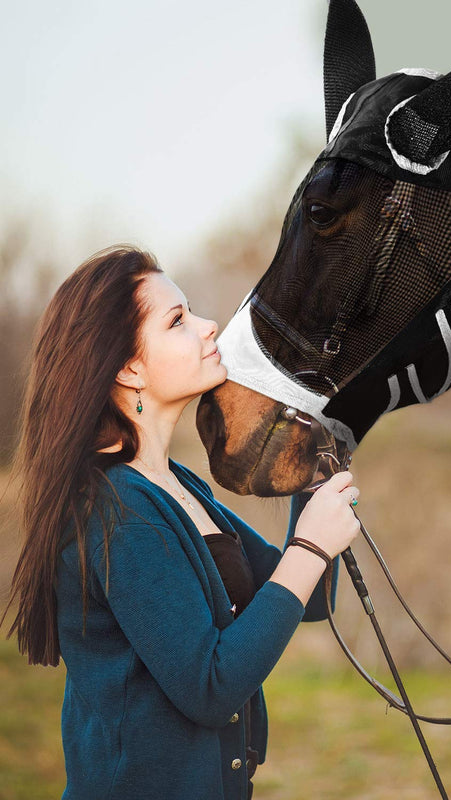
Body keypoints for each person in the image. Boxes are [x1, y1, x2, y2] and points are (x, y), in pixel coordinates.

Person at [3, 245, 360, 800]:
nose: (207, 326)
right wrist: (311, 548)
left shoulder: (175, 484)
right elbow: (211, 686)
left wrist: (312, 461)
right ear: (129, 367)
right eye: (177, 321)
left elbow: (305, 597)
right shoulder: (119, 513)